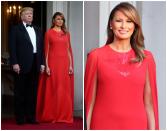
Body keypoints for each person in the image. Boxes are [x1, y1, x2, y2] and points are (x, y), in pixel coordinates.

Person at [84, 2, 159, 130]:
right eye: (119, 21)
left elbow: (149, 104)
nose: (124, 26)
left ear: (135, 26)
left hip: (137, 125)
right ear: (111, 24)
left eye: (129, 21)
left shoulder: (147, 58)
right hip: (102, 124)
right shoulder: (95, 56)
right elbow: (89, 102)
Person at [9, 7, 45, 125]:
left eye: (31, 13)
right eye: (27, 13)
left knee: (32, 93)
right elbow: (12, 48)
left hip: (35, 63)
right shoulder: (15, 29)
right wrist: (14, 63)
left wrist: (42, 63)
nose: (30, 15)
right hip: (21, 64)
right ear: (22, 16)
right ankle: (20, 118)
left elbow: (41, 48)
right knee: (20, 92)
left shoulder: (38, 29)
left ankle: (31, 117)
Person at [36, 12, 74, 123]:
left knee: (63, 89)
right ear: (53, 21)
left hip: (64, 64)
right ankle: (52, 115)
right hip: (52, 63)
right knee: (52, 88)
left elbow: (68, 50)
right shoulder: (48, 33)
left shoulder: (66, 34)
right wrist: (47, 66)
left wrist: (70, 65)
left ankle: (63, 115)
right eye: (58, 19)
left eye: (62, 19)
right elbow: (46, 51)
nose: (60, 21)